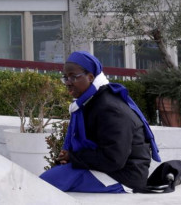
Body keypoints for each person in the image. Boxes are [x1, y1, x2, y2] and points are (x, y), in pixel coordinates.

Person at [41, 51, 160, 193]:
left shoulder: (110, 109)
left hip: (123, 177)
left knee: (47, 185)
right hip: (108, 170)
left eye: (73, 77)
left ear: (90, 77)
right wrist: (71, 158)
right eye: (65, 77)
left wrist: (73, 157)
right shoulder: (91, 101)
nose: (67, 83)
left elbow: (114, 159)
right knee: (46, 182)